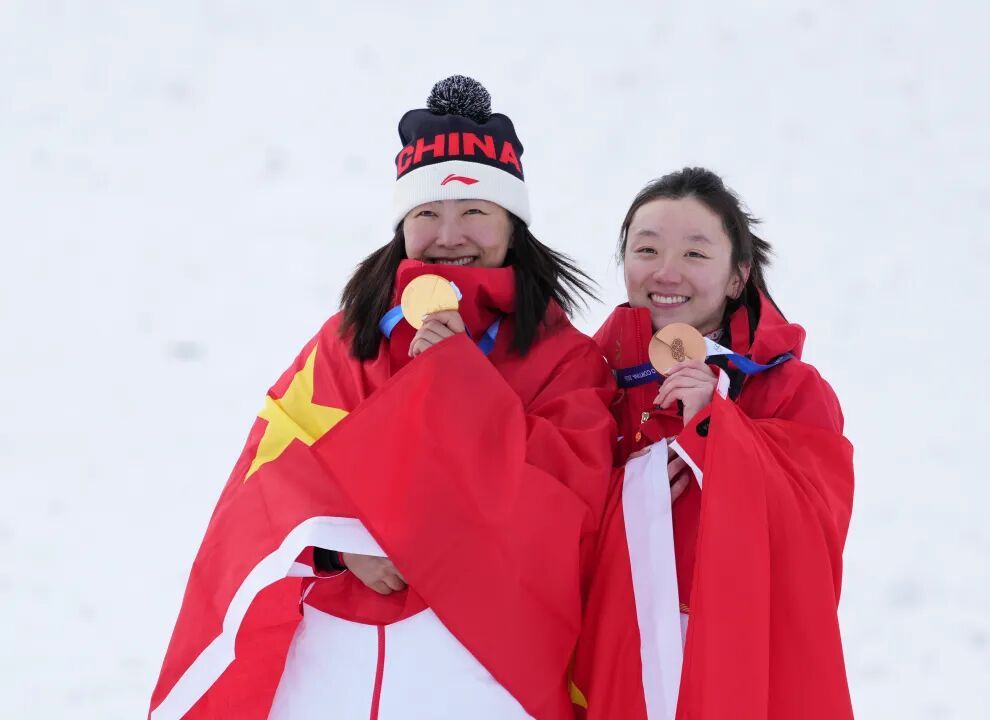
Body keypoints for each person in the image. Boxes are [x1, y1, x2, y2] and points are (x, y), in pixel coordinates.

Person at [149, 76, 616, 720]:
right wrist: (340, 547)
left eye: (475, 210)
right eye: (426, 213)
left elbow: (572, 506)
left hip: (483, 672)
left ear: (513, 222)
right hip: (330, 663)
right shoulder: (349, 340)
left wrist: (457, 386)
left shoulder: (566, 359)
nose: (450, 234)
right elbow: (269, 475)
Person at [573, 167, 855, 719]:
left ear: (737, 276)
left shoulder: (790, 388)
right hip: (610, 661)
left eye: (696, 255)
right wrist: (630, 498)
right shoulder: (585, 378)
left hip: (735, 665)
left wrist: (717, 430)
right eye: (646, 249)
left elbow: (814, 536)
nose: (667, 272)